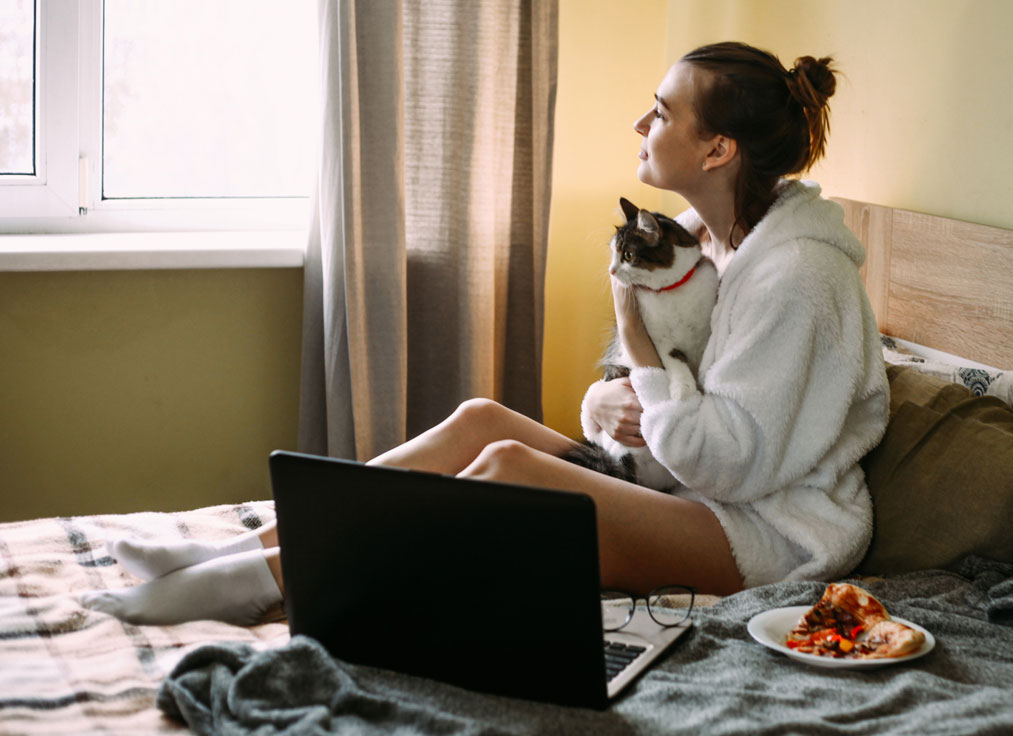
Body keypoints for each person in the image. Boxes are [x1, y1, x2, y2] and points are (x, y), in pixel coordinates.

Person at [79, 41, 890, 627]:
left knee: (508, 470)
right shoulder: (696, 237)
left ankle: (271, 580)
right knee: (479, 420)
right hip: (687, 488)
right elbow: (647, 396)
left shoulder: (799, 280)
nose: (640, 120)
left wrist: (632, 345)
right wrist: (603, 395)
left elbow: (727, 455)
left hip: (766, 534)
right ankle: (250, 552)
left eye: (663, 110)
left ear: (717, 147)